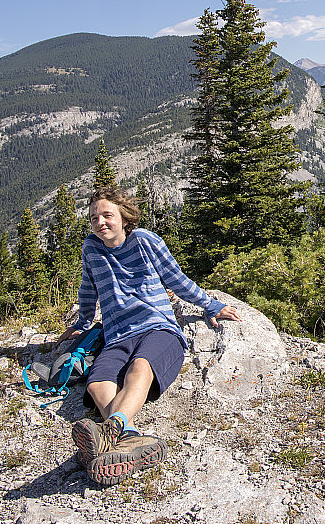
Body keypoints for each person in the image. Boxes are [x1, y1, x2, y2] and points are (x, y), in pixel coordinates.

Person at [60, 185, 241, 485]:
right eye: (94, 218)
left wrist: (210, 305)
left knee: (140, 368)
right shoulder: (91, 248)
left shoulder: (144, 240)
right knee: (97, 383)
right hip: (118, 335)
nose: (100, 223)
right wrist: (82, 322)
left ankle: (110, 430)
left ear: (124, 217)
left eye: (107, 215)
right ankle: (129, 438)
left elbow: (176, 279)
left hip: (158, 328)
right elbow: (88, 288)